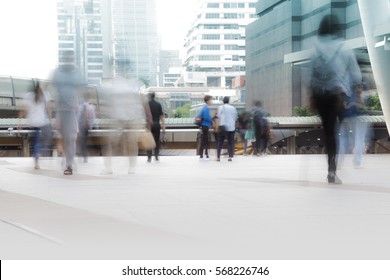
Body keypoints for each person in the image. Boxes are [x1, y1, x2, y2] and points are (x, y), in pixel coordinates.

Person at [309, 14, 362, 184]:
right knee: (339, 131)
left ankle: (331, 170)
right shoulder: (344, 46)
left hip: (320, 95)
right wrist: (357, 91)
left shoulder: (315, 47)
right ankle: (335, 169)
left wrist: (311, 96)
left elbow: (311, 74)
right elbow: (356, 75)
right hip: (338, 95)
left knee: (329, 132)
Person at [51, 51, 83, 175]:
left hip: (71, 110)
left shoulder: (77, 73)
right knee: (64, 138)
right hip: (60, 109)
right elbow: (52, 87)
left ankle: (69, 164)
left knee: (70, 138)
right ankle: (68, 160)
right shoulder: (57, 72)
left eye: (70, 58)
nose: (68, 60)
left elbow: (81, 88)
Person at [19, 82, 52, 169]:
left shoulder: (28, 95)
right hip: (43, 122)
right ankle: (40, 152)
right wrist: (51, 120)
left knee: (36, 142)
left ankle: (36, 161)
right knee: (47, 137)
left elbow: (23, 110)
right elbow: (49, 108)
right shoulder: (44, 95)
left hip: (33, 123)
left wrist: (19, 123)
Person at [338, 84, 369, 168]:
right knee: (360, 137)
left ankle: (338, 162)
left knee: (342, 138)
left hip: (344, 115)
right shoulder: (357, 89)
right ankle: (357, 162)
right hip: (357, 115)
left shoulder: (344, 84)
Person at [216, 96, 238, 162]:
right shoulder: (233, 108)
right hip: (231, 127)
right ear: (229, 101)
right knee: (230, 142)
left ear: (223, 101)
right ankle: (230, 157)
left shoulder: (220, 107)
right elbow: (236, 117)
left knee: (220, 142)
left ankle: (218, 157)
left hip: (223, 127)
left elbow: (218, 116)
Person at [147, 92, 165, 162]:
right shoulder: (158, 104)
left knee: (148, 141)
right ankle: (156, 156)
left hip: (149, 125)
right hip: (157, 125)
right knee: (156, 141)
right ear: (154, 97)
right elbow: (161, 116)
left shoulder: (146, 105)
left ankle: (149, 157)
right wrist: (163, 125)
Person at [78, 91, 96, 163]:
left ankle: (84, 155)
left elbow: (79, 116)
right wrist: (92, 125)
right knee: (84, 141)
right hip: (87, 126)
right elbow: (93, 117)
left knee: (82, 141)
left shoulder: (82, 106)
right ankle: (84, 155)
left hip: (82, 126)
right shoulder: (91, 106)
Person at [198, 95, 213, 160]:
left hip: (204, 126)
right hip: (205, 126)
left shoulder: (204, 107)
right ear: (207, 100)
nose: (211, 101)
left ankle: (203, 155)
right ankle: (204, 155)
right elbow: (207, 117)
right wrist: (212, 122)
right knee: (205, 140)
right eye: (211, 100)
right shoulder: (206, 108)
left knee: (204, 140)